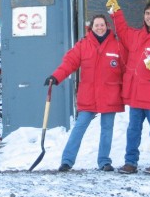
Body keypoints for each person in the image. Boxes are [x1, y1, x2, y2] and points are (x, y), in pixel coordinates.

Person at [44, 14, 127, 172]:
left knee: (107, 129)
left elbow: (127, 70)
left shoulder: (117, 46)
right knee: (79, 127)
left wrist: (129, 92)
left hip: (110, 94)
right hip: (88, 94)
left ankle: (104, 161)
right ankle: (67, 161)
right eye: (97, 25)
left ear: (107, 26)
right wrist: (56, 77)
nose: (100, 27)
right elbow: (69, 63)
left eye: (102, 25)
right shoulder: (83, 45)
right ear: (91, 27)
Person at [106, 0, 150, 175]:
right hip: (136, 93)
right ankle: (130, 162)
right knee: (133, 130)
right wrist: (116, 11)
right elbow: (121, 29)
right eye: (147, 13)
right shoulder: (136, 35)